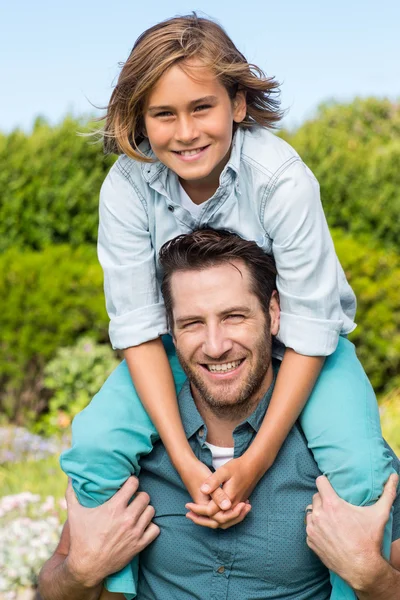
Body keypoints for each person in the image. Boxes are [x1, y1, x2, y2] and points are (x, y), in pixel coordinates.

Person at [61, 13, 394, 599]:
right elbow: (138, 328)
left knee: (362, 470)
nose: (185, 131)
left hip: (306, 345)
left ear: (237, 104)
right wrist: (191, 468)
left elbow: (314, 327)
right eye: (164, 114)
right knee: (91, 449)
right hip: (179, 343)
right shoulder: (125, 189)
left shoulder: (282, 179)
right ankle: (119, 586)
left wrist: (256, 462)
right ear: (139, 120)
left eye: (201, 107)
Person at [42, 230, 400, 600]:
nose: (216, 345)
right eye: (193, 323)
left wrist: (370, 575)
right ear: (170, 329)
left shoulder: (343, 456)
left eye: (233, 316)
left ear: (273, 313)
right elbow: (54, 583)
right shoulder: (126, 451)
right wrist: (81, 572)